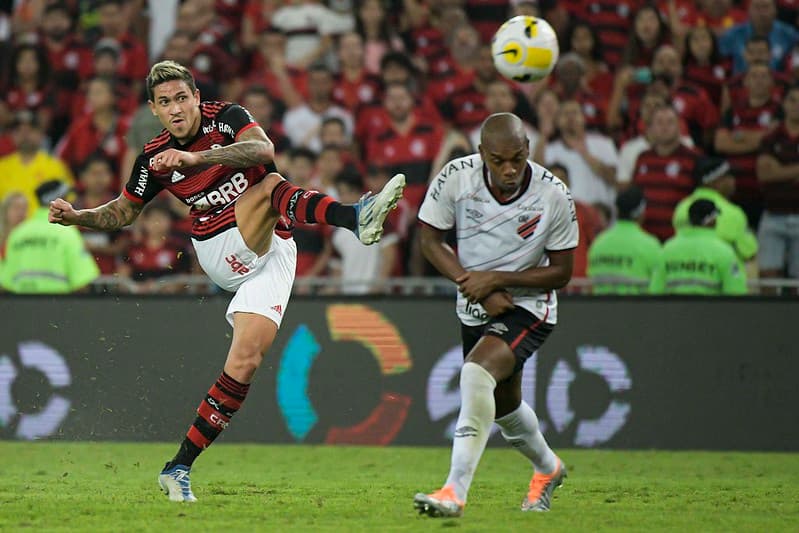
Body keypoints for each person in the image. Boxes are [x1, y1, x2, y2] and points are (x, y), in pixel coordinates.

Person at [47, 60, 405, 502]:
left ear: (197, 97)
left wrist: (196, 156)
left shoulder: (228, 117)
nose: (176, 108)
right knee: (272, 187)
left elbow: (261, 149)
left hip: (274, 248)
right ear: (154, 110)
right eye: (165, 103)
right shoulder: (153, 159)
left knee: (245, 363)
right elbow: (123, 212)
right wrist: (80, 217)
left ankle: (177, 467)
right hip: (219, 247)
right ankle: (354, 216)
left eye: (182, 98)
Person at [414, 113, 576, 518]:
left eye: (518, 159)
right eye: (499, 160)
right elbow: (429, 239)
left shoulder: (553, 194)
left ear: (529, 151)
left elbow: (562, 271)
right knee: (504, 406)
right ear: (482, 153)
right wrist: (472, 283)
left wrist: (496, 280)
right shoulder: (456, 177)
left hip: (530, 306)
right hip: (474, 302)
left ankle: (454, 490)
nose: (509, 169)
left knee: (474, 373)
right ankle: (548, 467)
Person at [2, 181, 99, 293]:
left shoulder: (18, 234)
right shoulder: (67, 233)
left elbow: (5, 283)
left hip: (20, 306)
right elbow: (83, 282)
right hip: (58, 306)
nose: (71, 203)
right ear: (58, 202)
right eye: (67, 198)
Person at [652, 199, 747, 295]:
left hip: (671, 309)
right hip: (711, 310)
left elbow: (655, 292)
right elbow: (736, 294)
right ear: (712, 220)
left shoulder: (667, 249)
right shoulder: (724, 252)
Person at [673, 156, 758, 263]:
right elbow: (749, 252)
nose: (734, 181)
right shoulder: (732, 213)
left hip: (685, 273)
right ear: (715, 181)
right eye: (729, 176)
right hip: (724, 276)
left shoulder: (681, 208)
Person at [587, 185, 664, 294]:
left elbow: (590, 285)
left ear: (617, 211)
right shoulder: (650, 245)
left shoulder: (598, 243)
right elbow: (657, 289)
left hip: (599, 309)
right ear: (642, 213)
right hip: (637, 309)